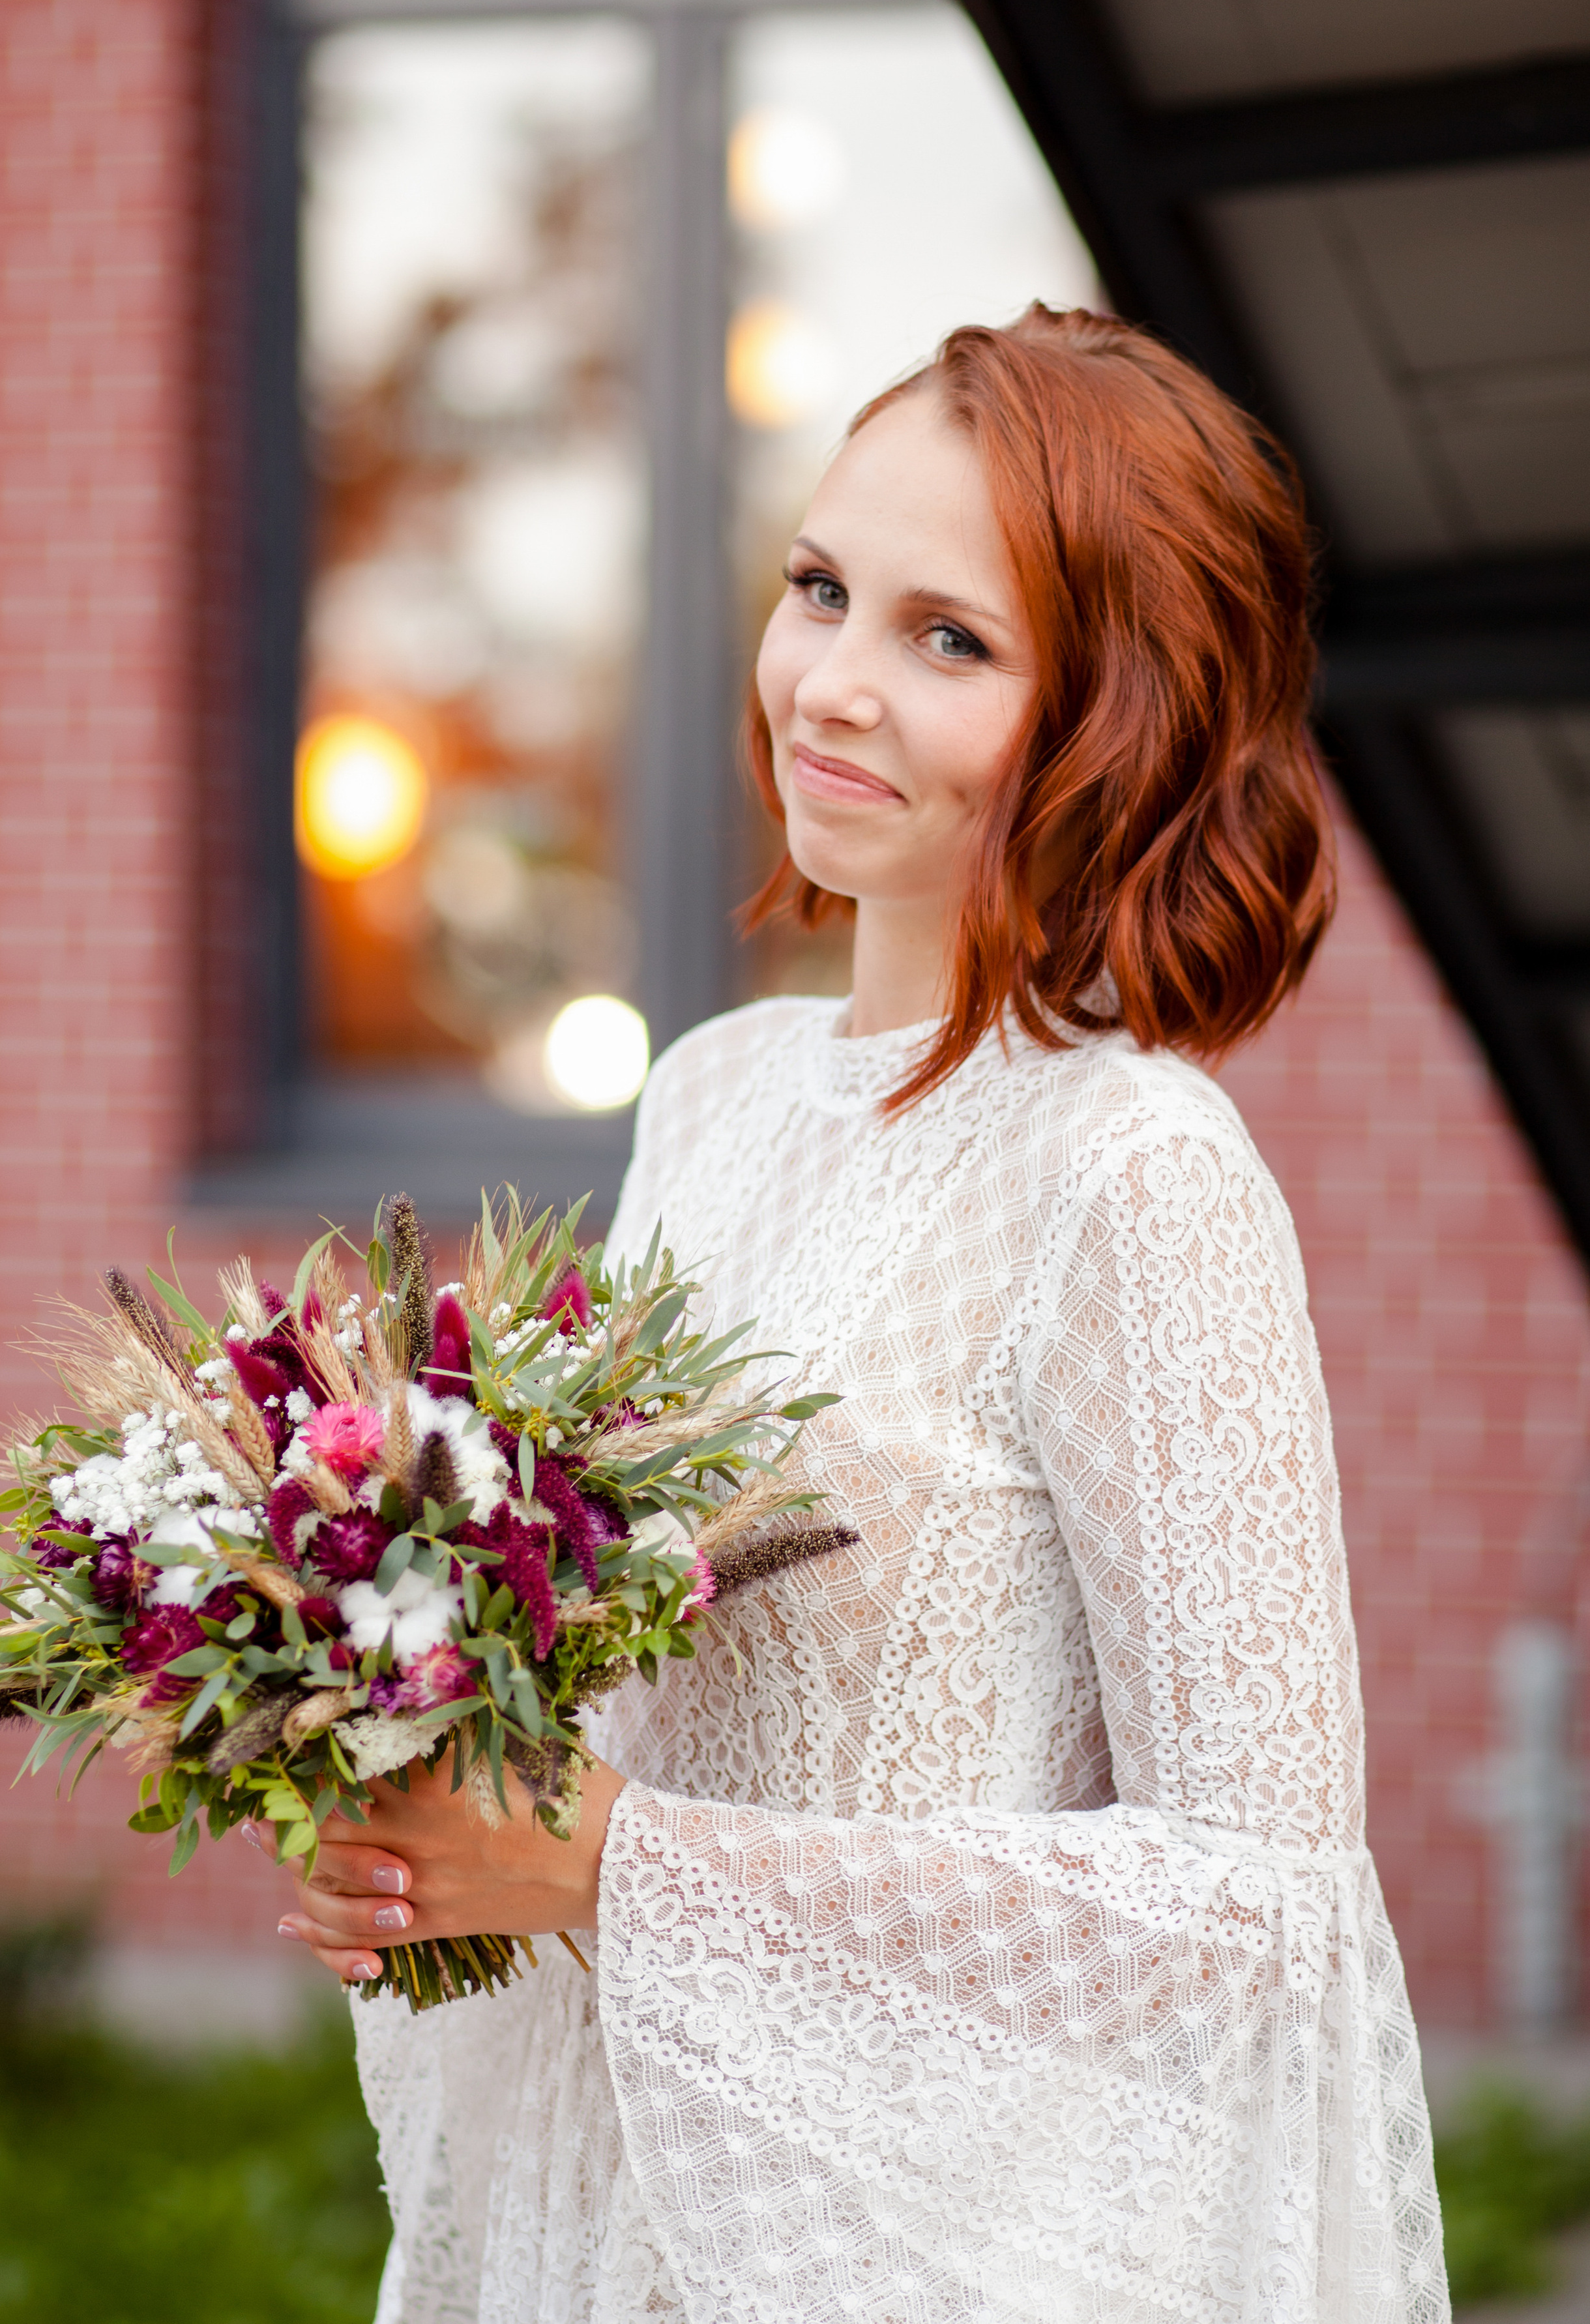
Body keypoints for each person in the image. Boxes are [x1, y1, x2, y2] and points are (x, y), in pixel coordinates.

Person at [270, 304, 1449, 2323]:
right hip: (614, 2199)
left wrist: (623, 1863)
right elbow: (624, 1695)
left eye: (951, 640)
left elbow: (1261, 1910)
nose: (830, 683)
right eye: (821, 589)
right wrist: (433, 1824)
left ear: (1119, 717)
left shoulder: (1135, 1177)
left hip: (928, 2251)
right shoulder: (713, 1094)